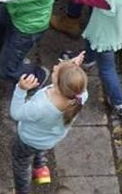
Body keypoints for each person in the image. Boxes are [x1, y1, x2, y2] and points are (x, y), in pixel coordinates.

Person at [10, 55, 88, 192]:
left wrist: (20, 89)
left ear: (58, 85)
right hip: (50, 139)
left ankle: (22, 190)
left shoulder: (40, 107)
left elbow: (16, 113)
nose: (54, 67)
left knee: (21, 164)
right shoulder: (80, 95)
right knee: (40, 148)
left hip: (28, 140)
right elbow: (70, 83)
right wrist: (72, 68)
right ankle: (40, 167)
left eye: (56, 70)